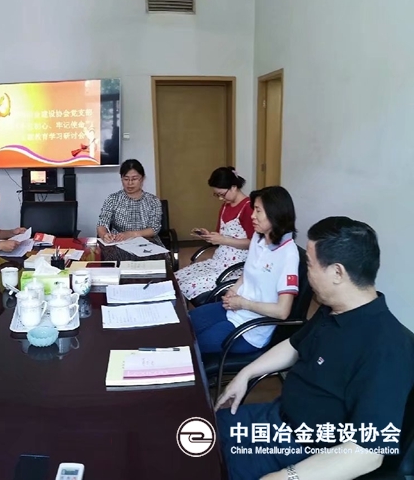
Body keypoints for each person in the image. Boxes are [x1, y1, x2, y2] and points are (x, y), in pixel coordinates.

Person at [215, 217, 414, 480]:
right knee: (201, 433)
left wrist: (287, 477)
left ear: (337, 273)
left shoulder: (387, 347)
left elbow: (368, 452)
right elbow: (294, 345)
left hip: (304, 452)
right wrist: (246, 373)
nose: (306, 274)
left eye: (309, 264)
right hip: (275, 417)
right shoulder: (332, 310)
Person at [189, 186, 299, 355]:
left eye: (258, 211)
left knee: (196, 345)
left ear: (275, 214)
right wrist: (233, 290)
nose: (252, 216)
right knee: (188, 322)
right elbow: (248, 271)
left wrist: (242, 303)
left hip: (250, 330)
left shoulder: (288, 254)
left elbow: (282, 311)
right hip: (235, 309)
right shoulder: (258, 237)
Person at [176, 167, 254, 301]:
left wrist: (223, 240)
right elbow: (221, 234)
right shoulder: (225, 206)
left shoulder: (248, 207)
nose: (220, 198)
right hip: (218, 261)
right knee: (177, 277)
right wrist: (209, 236)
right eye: (217, 195)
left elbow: (253, 243)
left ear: (234, 187)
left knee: (188, 285)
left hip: (235, 267)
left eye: (222, 194)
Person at [96, 159, 162, 242]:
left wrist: (131, 234)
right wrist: (104, 235)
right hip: (119, 243)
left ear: (142, 179)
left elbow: (154, 229)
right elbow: (102, 224)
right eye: (126, 179)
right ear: (121, 179)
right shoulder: (113, 199)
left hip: (148, 243)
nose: (130, 183)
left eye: (134, 179)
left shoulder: (153, 201)